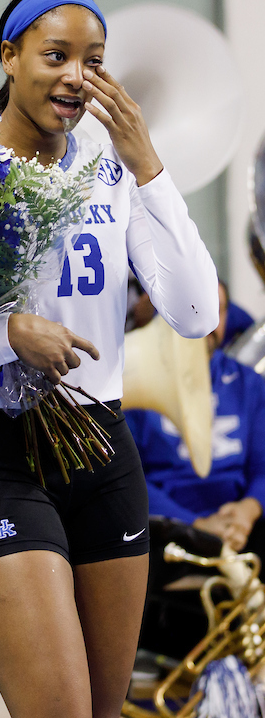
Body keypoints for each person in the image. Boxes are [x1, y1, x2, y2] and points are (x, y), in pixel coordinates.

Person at [0, 0, 220, 718]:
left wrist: (149, 166)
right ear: (9, 56)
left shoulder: (111, 170)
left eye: (92, 60)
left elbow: (195, 313)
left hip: (103, 450)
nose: (75, 76)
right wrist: (4, 335)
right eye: (55, 55)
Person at [129, 281, 265, 656]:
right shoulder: (134, 384)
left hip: (237, 523)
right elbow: (130, 478)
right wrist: (195, 527)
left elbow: (263, 468)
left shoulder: (250, 384)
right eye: (196, 310)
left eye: (219, 311)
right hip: (167, 530)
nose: (210, 322)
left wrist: (247, 510)